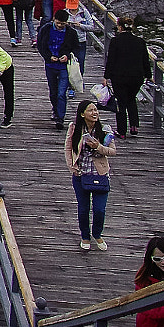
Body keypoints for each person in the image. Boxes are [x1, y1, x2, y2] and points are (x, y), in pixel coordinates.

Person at [66, 99, 116, 251]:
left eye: (96, 110)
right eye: (90, 110)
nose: (95, 113)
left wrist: (98, 147)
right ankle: (85, 236)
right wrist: (72, 167)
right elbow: (68, 148)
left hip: (100, 174)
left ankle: (97, 234)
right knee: (83, 208)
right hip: (81, 174)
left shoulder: (105, 129)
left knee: (99, 209)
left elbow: (112, 151)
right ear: (82, 114)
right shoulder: (74, 128)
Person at [104, 15, 153, 137]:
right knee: (131, 99)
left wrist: (106, 76)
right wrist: (149, 75)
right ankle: (134, 126)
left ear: (119, 27)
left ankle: (122, 131)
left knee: (121, 102)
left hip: (119, 76)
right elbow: (145, 60)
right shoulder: (140, 42)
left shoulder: (115, 41)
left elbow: (111, 60)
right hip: (136, 77)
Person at [37, 10, 80, 127]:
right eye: (58, 23)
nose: (60, 26)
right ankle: (55, 110)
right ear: (54, 20)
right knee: (53, 92)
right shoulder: (46, 29)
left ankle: (60, 117)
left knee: (62, 93)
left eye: (63, 24)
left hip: (64, 66)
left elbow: (76, 47)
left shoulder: (71, 33)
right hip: (50, 65)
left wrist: (67, 55)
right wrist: (48, 57)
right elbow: (40, 45)